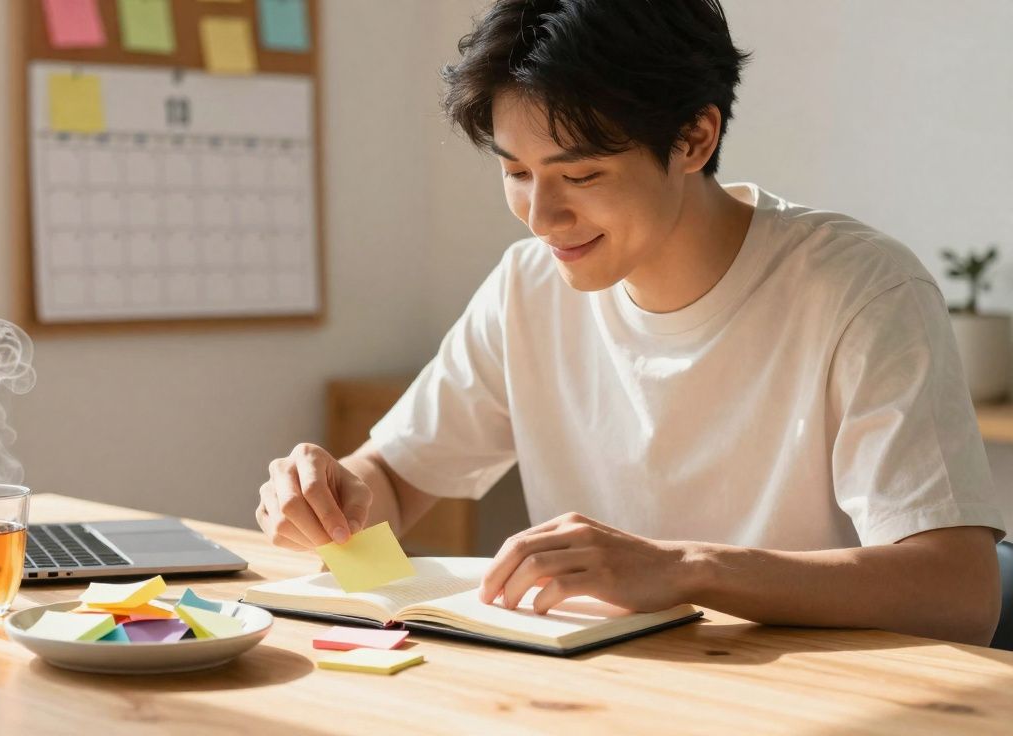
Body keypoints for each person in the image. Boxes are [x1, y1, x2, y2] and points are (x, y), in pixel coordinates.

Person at [254, 0, 1006, 645]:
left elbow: (960, 591)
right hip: (599, 694)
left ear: (693, 139)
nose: (541, 217)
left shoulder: (860, 289)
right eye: (517, 172)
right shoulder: (528, 286)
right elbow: (394, 475)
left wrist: (686, 570)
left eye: (580, 175)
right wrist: (333, 493)